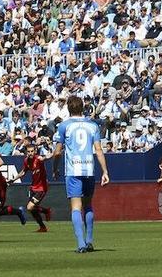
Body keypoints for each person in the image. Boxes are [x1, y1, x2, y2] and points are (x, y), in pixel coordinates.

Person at [52, 95, 110, 253]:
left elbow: (57, 152)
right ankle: (90, 241)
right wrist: (105, 171)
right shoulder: (92, 125)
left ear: (69, 108)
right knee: (88, 205)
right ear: (82, 108)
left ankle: (81, 244)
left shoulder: (64, 126)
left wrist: (55, 168)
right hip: (89, 170)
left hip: (73, 170)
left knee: (76, 207)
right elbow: (98, 150)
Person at [8, 143, 53, 233]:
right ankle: (43, 226)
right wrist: (13, 179)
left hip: (41, 188)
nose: (30, 153)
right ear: (26, 152)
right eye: (28, 152)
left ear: (35, 151)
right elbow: (23, 172)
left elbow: (47, 157)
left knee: (30, 207)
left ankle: (46, 211)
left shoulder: (39, 159)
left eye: (32, 151)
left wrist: (51, 152)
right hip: (33, 187)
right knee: (32, 210)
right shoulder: (26, 161)